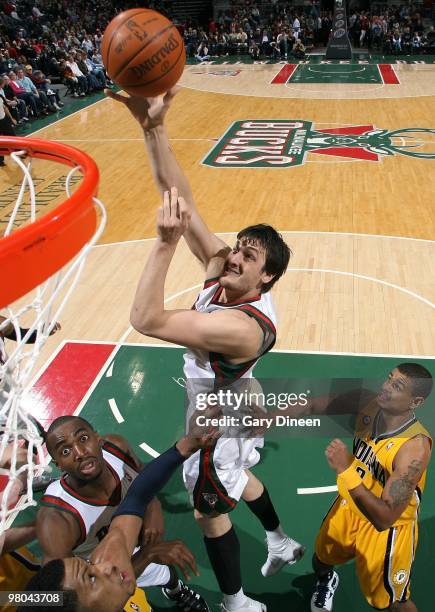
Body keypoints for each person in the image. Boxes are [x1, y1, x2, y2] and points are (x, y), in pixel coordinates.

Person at [105, 88, 305, 612]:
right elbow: (182, 199)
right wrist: (153, 127)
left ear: (268, 277)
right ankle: (280, 540)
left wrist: (165, 244)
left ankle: (237, 601)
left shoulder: (239, 327)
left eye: (248, 255)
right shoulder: (228, 272)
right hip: (231, 400)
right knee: (242, 476)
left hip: (220, 418)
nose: (233, 255)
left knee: (208, 512)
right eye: (238, 246)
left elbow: (145, 319)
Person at [21, 417, 220, 612]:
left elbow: (137, 496)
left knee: (165, 573)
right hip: (119, 558)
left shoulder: (115, 448)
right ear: (58, 465)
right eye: (66, 450)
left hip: (129, 550)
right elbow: (56, 594)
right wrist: (144, 556)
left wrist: (154, 505)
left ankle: (175, 590)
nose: (80, 453)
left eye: (83, 439)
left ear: (97, 438)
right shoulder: (57, 521)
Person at [310, 363, 433, 612]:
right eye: (389, 379)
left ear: (415, 402)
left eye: (397, 386)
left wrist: (346, 470)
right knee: (321, 558)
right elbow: (317, 403)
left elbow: (384, 518)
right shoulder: (369, 402)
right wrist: (271, 418)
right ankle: (326, 581)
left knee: (391, 604)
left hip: (387, 531)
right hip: (350, 505)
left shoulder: (415, 448)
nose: (386, 387)